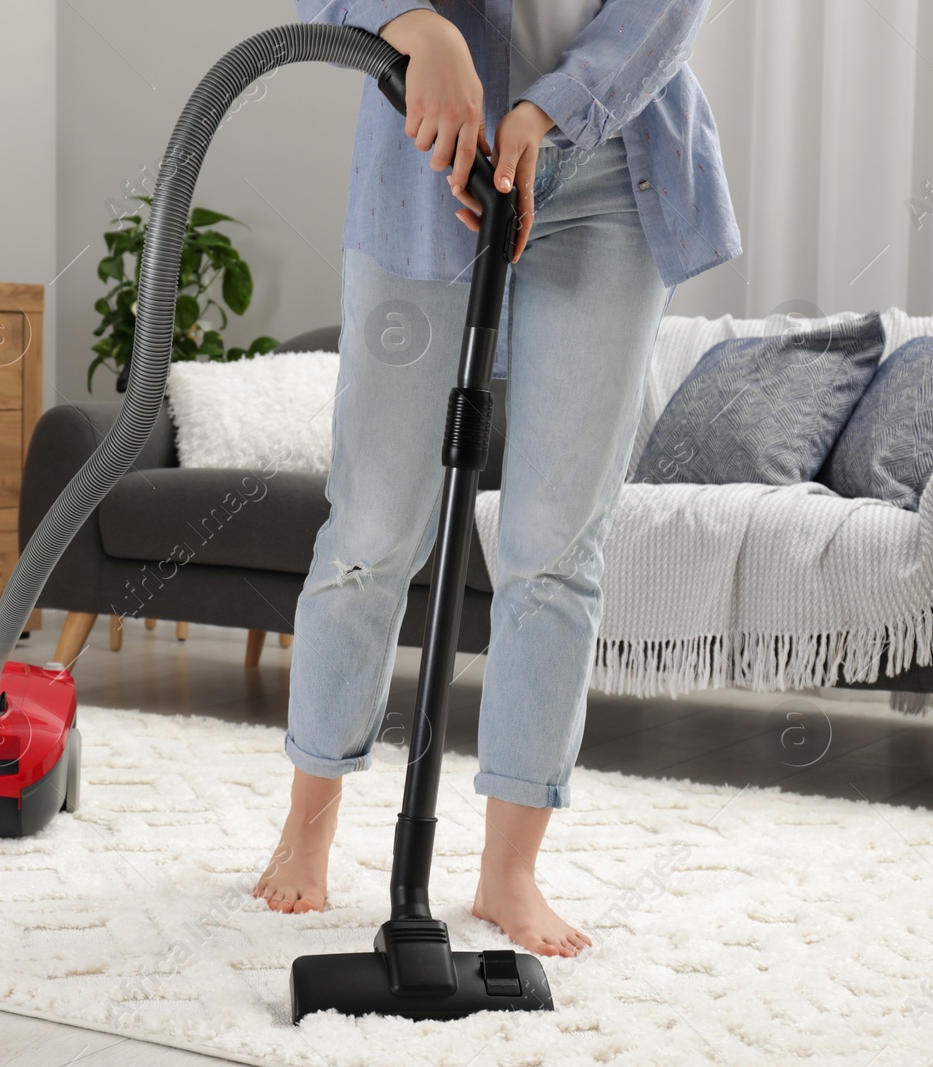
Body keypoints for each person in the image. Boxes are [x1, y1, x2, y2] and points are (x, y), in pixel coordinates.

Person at [254, 0, 741, 958]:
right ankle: (306, 826)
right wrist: (412, 25)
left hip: (614, 161)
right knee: (371, 530)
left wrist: (552, 109)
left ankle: (508, 872)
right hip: (431, 150)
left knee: (556, 548)